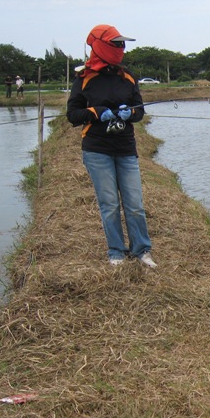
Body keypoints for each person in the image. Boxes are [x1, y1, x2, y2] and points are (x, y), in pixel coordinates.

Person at [66, 24, 157, 268]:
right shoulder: (85, 78)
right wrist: (94, 112)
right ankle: (116, 252)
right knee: (110, 204)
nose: (120, 48)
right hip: (97, 149)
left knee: (135, 205)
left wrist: (131, 113)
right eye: (115, 43)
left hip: (126, 148)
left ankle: (142, 251)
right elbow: (72, 114)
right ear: (99, 45)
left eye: (122, 44)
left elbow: (139, 111)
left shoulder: (127, 77)